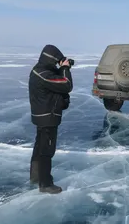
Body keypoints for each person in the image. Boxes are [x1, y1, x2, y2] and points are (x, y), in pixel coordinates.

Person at [28, 44, 73, 194]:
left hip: (42, 117)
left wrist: (61, 67)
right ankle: (45, 184)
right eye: (55, 62)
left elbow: (54, 79)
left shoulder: (39, 70)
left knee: (39, 147)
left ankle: (36, 177)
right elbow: (66, 85)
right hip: (48, 117)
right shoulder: (43, 75)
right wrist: (65, 69)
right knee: (46, 150)